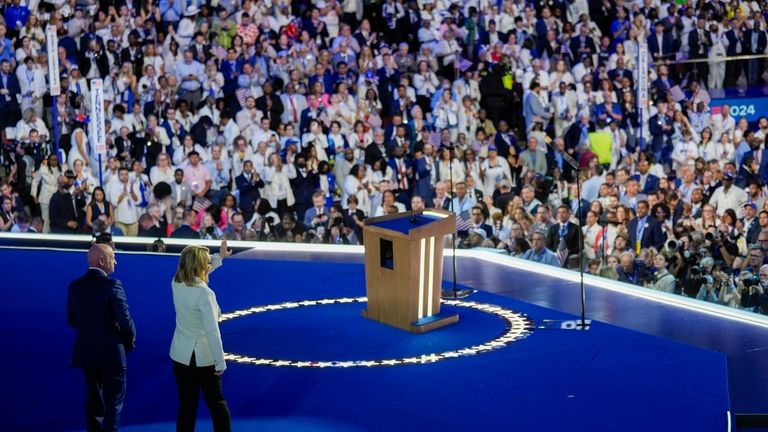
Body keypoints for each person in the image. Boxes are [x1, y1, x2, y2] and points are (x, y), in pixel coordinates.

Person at [67, 244, 136, 432]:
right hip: (112, 354)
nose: (116, 261)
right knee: (112, 406)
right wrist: (126, 342)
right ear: (102, 261)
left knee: (94, 404)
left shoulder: (75, 286)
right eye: (113, 257)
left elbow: (72, 319)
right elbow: (126, 322)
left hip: (87, 354)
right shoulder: (112, 286)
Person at [170, 240, 232, 432]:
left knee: (187, 405)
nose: (208, 266)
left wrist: (218, 257)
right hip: (204, 359)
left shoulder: (176, 282)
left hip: (180, 356)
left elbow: (196, 271)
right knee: (217, 403)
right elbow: (212, 330)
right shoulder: (205, 294)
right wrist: (220, 362)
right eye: (206, 263)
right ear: (199, 266)